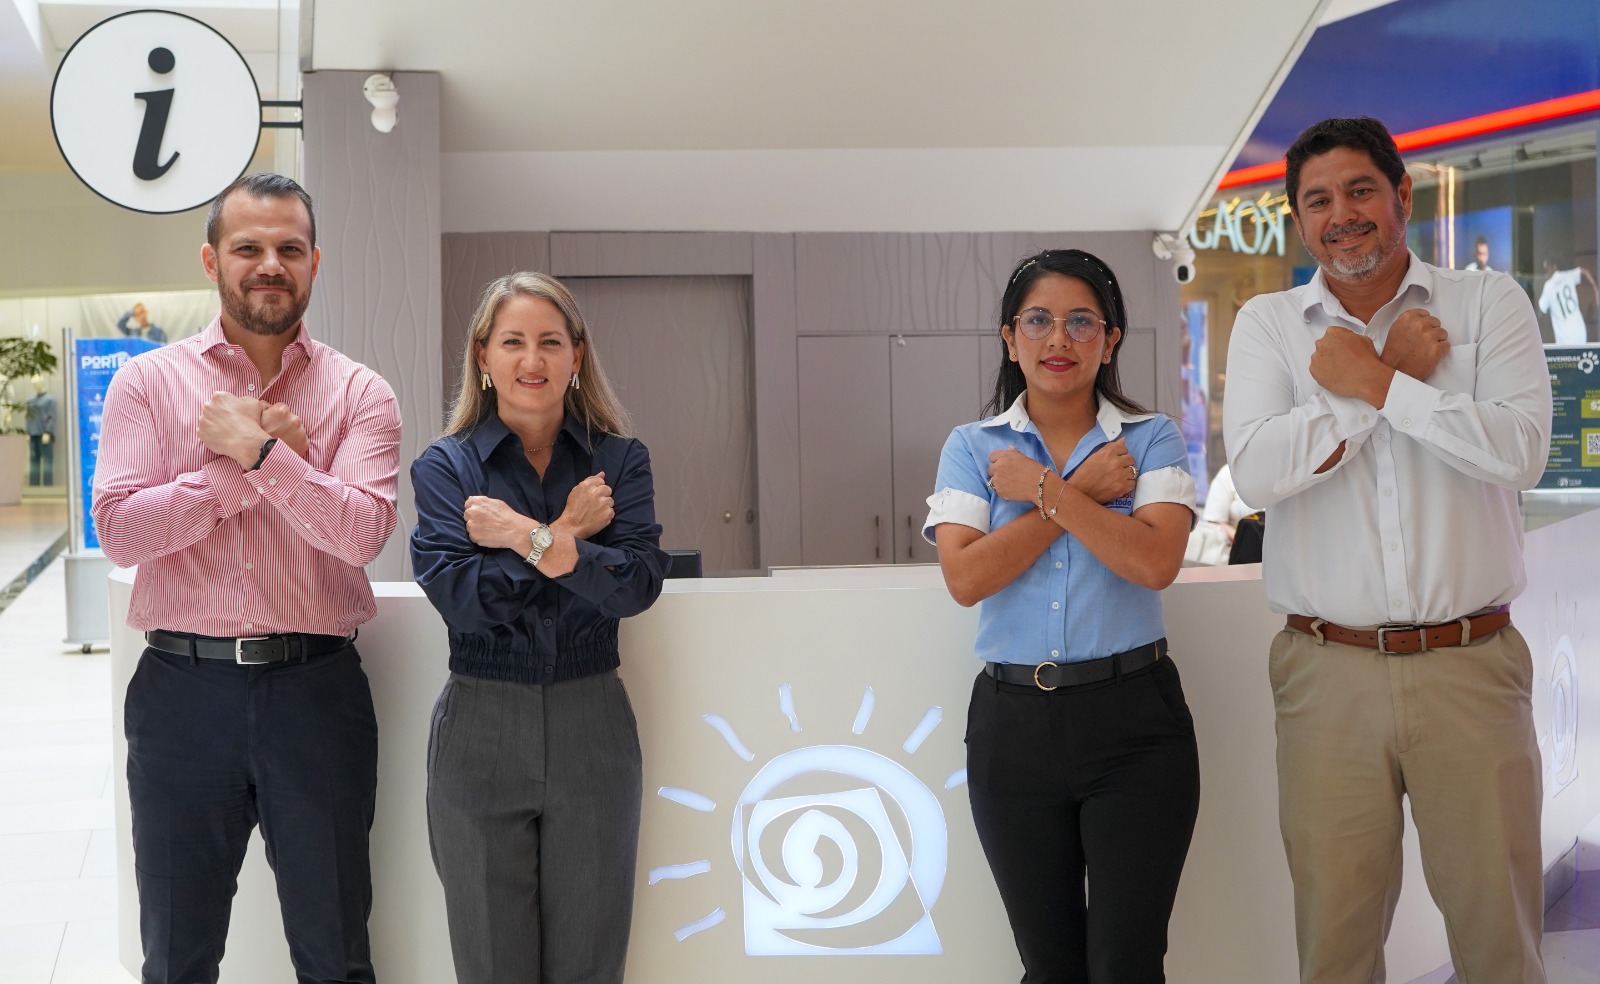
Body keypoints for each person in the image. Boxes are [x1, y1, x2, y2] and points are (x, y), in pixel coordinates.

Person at [1223, 117, 1552, 983]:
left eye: (1360, 189)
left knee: (1500, 942)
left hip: (1471, 667)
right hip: (1326, 673)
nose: (1342, 215)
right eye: (1318, 200)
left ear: (1402, 194)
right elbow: (1258, 473)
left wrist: (1372, 379)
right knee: (1336, 947)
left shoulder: (1487, 303)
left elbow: (1520, 451)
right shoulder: (1269, 324)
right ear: (1299, 219)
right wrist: (1384, 383)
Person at [91, 173, 402, 984]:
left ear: (314, 263)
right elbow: (121, 533)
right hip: (182, 698)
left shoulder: (360, 393)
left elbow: (362, 533)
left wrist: (264, 453)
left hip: (318, 696)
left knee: (337, 958)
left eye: (289, 249)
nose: (270, 264)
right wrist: (244, 471)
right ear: (212, 261)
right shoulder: (147, 384)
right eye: (248, 248)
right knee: (176, 959)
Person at [924, 248, 1200, 983]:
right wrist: (1079, 491)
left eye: (1082, 322)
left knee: (1126, 964)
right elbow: (966, 578)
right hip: (1013, 725)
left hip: (1135, 723)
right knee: (1048, 967)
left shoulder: (1152, 438)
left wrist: (1045, 491)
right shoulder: (972, 448)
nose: (1059, 339)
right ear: (1010, 339)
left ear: (1110, 341)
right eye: (1038, 321)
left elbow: (1154, 563)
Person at [410, 271, 668, 984]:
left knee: (591, 963)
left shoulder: (619, 461)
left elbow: (637, 584)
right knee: (491, 965)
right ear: (482, 356)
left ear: (577, 355)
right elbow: (464, 600)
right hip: (480, 726)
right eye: (513, 342)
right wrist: (566, 536)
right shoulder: (446, 467)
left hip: (593, 722)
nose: (533, 360)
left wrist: (520, 535)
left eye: (551, 342)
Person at [1538, 257, 1597, 345]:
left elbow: (1541, 310)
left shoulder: (1548, 286)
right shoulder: (1567, 276)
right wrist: (1595, 289)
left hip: (1565, 337)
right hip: (1580, 332)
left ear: (1554, 266)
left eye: (1547, 268)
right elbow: (1584, 271)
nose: (1546, 272)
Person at [24, 376, 55, 485]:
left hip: (44, 434)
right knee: (34, 461)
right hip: (33, 434)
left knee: (47, 461)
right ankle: (34, 485)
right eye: (34, 383)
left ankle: (48, 485)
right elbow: (28, 417)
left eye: (37, 383)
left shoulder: (49, 400)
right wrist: (27, 432)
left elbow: (52, 416)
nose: (35, 385)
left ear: (42, 383)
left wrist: (48, 432)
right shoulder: (30, 400)